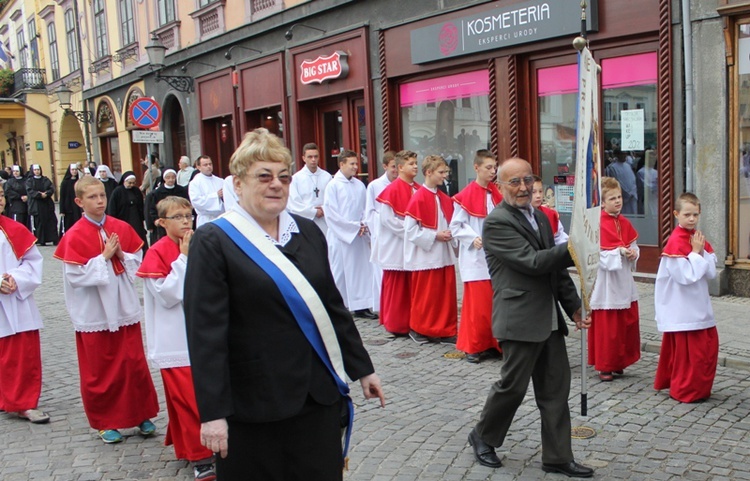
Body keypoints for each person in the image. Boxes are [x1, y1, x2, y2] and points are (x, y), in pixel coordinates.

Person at [184, 128, 385, 480]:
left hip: (316, 395)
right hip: (254, 403)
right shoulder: (213, 241)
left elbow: (332, 307)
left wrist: (362, 368)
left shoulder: (307, 232)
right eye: (263, 176)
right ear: (238, 184)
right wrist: (212, 412)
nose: (275, 184)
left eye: (283, 177)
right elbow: (205, 334)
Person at [467, 157, 593, 478]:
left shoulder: (538, 216)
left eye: (528, 180)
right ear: (500, 186)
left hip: (549, 317)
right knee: (512, 386)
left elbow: (554, 271)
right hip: (519, 318)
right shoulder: (496, 222)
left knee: (555, 390)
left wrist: (574, 306)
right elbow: (534, 262)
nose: (523, 188)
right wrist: (577, 247)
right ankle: (483, 435)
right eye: (515, 182)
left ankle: (557, 456)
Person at [53, 176, 159, 444]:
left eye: (101, 195)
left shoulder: (120, 227)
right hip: (94, 311)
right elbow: (75, 277)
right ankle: (105, 421)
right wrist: (103, 258)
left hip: (123, 306)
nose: (99, 201)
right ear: (79, 202)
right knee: (101, 368)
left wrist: (122, 255)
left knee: (132, 362)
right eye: (92, 197)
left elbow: (138, 264)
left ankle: (141, 414)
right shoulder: (74, 235)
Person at [136, 196, 215, 481]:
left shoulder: (201, 244)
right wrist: (182, 259)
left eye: (188, 215)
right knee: (189, 399)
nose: (185, 221)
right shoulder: (156, 252)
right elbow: (167, 295)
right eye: (178, 216)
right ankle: (201, 457)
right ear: (161, 222)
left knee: (203, 395)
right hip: (175, 340)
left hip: (205, 335)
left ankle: (187, 444)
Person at [654, 192, 718, 403]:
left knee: (705, 351)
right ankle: (685, 390)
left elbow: (710, 272)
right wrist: (695, 253)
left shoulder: (697, 238)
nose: (692, 219)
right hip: (682, 307)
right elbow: (684, 276)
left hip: (698, 302)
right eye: (687, 214)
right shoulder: (675, 241)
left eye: (695, 215)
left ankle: (699, 388)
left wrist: (700, 251)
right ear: (676, 214)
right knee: (688, 355)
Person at [0, 191, 50, 424]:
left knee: (22, 354)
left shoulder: (14, 229)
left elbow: (33, 261)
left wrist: (16, 279)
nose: (0, 199)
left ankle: (25, 403)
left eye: (0, 195)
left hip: (15, 301)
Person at [450, 150, 502, 363]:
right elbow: (455, 226)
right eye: (488, 167)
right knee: (477, 306)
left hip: (495, 256)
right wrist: (472, 238)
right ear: (476, 167)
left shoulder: (496, 193)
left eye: (494, 167)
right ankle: (473, 346)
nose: (492, 171)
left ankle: (492, 343)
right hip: (475, 257)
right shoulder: (465, 195)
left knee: (493, 303)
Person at [588, 177, 640, 382]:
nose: (618, 201)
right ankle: (605, 365)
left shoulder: (625, 222)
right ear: (602, 202)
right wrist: (618, 252)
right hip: (607, 282)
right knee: (608, 327)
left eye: (619, 197)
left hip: (623, 279)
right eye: (612, 198)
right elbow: (595, 254)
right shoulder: (597, 223)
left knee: (625, 323)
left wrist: (633, 253)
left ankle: (619, 361)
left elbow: (634, 245)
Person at [403, 155, 458, 344]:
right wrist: (435, 235)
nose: (445, 176)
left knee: (445, 294)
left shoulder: (444, 197)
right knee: (426, 296)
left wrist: (452, 234)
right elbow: (410, 230)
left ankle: (446, 329)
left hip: (444, 253)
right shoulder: (418, 198)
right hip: (426, 255)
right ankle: (419, 329)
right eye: (441, 172)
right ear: (428, 172)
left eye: (446, 172)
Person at [323, 150, 377, 319]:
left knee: (361, 271)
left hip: (358, 235)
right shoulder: (333, 185)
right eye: (352, 164)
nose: (355, 167)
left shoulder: (359, 185)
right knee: (340, 272)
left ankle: (361, 305)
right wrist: (353, 227)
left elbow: (365, 209)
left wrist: (364, 224)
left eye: (356, 163)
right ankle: (340, 305)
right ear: (342, 164)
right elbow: (331, 214)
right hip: (342, 237)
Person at [374, 150, 420, 336]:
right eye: (411, 163)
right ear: (400, 167)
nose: (415, 166)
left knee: (411, 285)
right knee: (397, 285)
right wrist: (410, 232)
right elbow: (387, 219)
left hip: (413, 244)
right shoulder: (391, 190)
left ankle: (412, 321)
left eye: (416, 163)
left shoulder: (418, 188)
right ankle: (396, 324)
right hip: (396, 244)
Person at [364, 151, 397, 315]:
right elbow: (369, 212)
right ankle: (383, 308)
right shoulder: (375, 186)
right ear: (385, 166)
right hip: (382, 234)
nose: (395, 170)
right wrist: (383, 222)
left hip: (398, 235)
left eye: (398, 166)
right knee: (381, 272)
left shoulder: (402, 184)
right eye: (392, 167)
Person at [287, 143, 332, 234]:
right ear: (304, 158)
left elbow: (332, 199)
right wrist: (313, 212)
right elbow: (294, 204)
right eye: (310, 157)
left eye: (316, 157)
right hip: (306, 221)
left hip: (325, 221)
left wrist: (324, 209)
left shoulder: (327, 177)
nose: (313, 160)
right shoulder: (296, 179)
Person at [108, 172, 148, 250]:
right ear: (124, 181)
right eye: (129, 183)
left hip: (136, 221)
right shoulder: (117, 192)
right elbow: (112, 208)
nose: (131, 185)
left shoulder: (136, 191)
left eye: (133, 183)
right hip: (123, 220)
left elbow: (141, 206)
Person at [146, 169, 189, 242]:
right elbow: (153, 209)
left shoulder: (182, 190)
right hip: (165, 224)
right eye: (168, 177)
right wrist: (155, 219)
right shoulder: (157, 193)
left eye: (173, 177)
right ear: (164, 178)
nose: (171, 180)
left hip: (180, 220)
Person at [25, 164, 59, 246]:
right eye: (35, 170)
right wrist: (39, 195)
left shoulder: (45, 179)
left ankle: (53, 238)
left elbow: (51, 188)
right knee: (39, 223)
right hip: (37, 205)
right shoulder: (30, 181)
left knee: (51, 221)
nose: (37, 171)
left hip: (47, 204)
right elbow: (30, 191)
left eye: (38, 170)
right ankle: (41, 240)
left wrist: (46, 194)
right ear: (32, 171)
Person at [188, 155, 224, 228]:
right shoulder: (195, 183)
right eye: (205, 165)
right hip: (205, 219)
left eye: (210, 164)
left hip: (221, 217)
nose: (209, 166)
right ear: (198, 167)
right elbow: (196, 202)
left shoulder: (220, 181)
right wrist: (216, 195)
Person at [531, 176, 568, 245]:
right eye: (533, 192)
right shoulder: (519, 214)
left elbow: (560, 239)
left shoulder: (550, 213)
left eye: (540, 191)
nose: (538, 195)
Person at [59, 163, 84, 235]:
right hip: (68, 206)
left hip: (78, 206)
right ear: (69, 171)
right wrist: (62, 210)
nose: (74, 171)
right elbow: (62, 196)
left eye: (76, 170)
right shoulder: (65, 182)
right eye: (72, 170)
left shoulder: (79, 181)